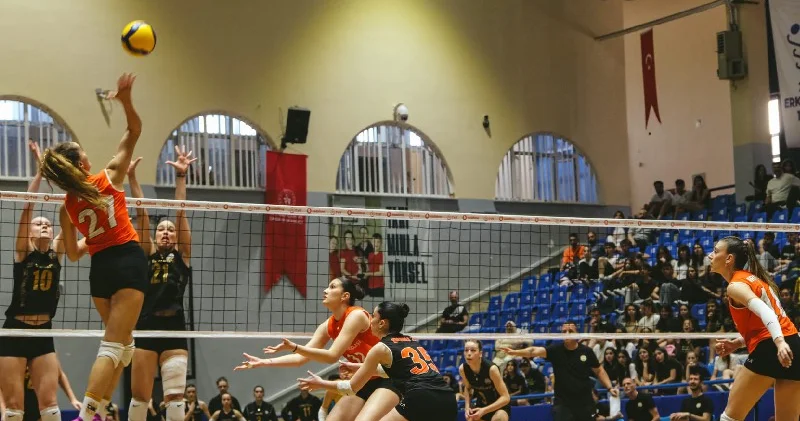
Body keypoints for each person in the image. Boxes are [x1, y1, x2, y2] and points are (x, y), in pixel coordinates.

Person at [39, 73, 146, 421]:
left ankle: (98, 411)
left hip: (100, 271)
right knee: (113, 345)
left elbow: (71, 254)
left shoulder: (67, 207)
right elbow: (134, 130)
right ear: (82, 163)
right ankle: (86, 416)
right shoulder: (109, 176)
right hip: (128, 262)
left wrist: (94, 238)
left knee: (124, 345)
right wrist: (126, 101)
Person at [0, 141, 86, 421]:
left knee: (49, 407)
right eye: (39, 224)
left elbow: (70, 215)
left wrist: (70, 174)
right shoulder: (24, 252)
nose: (45, 225)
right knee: (14, 409)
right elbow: (27, 207)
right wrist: (40, 170)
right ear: (30, 232)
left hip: (43, 332)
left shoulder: (56, 251)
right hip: (15, 332)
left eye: (47, 223)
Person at [234, 278, 399, 421]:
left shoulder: (356, 315)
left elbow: (332, 356)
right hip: (365, 379)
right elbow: (300, 359)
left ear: (345, 296)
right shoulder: (328, 326)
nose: (325, 290)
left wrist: (295, 347)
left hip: (390, 376)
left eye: (332, 287)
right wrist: (264, 362)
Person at [126, 147, 197, 421]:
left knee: (175, 399)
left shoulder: (182, 255)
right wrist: (132, 178)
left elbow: (181, 212)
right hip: (146, 325)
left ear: (176, 236)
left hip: (174, 327)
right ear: (155, 236)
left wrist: (181, 178)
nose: (166, 232)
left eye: (170, 230)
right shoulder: (147, 253)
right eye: (161, 230)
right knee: (140, 398)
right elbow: (141, 213)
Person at [298, 302, 458, 421]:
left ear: (382, 323)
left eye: (373, 316)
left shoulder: (380, 348)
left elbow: (351, 388)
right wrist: (358, 366)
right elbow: (394, 370)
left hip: (420, 397)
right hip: (447, 398)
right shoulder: (411, 341)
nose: (370, 320)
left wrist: (321, 383)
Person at [710, 236, 800, 421]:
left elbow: (765, 311)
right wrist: (738, 343)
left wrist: (779, 342)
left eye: (716, 251)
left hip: (772, 347)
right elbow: (765, 323)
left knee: (730, 417)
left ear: (729, 259)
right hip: (794, 344)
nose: (711, 255)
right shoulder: (752, 279)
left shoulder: (736, 286)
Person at [500, 321, 618, 421]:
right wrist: (515, 352)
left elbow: (599, 371)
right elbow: (533, 351)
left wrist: (609, 387)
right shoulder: (555, 350)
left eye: (570, 331)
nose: (567, 334)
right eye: (564, 331)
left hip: (584, 402)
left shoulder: (586, 351)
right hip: (563, 403)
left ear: (577, 334)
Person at [459, 339, 511, 421]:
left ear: (480, 353)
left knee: (499, 418)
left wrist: (484, 410)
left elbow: (506, 397)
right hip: (481, 406)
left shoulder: (491, 369)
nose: (468, 353)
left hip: (498, 407)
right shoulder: (463, 369)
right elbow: (468, 388)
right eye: (466, 350)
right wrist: (467, 407)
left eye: (473, 350)